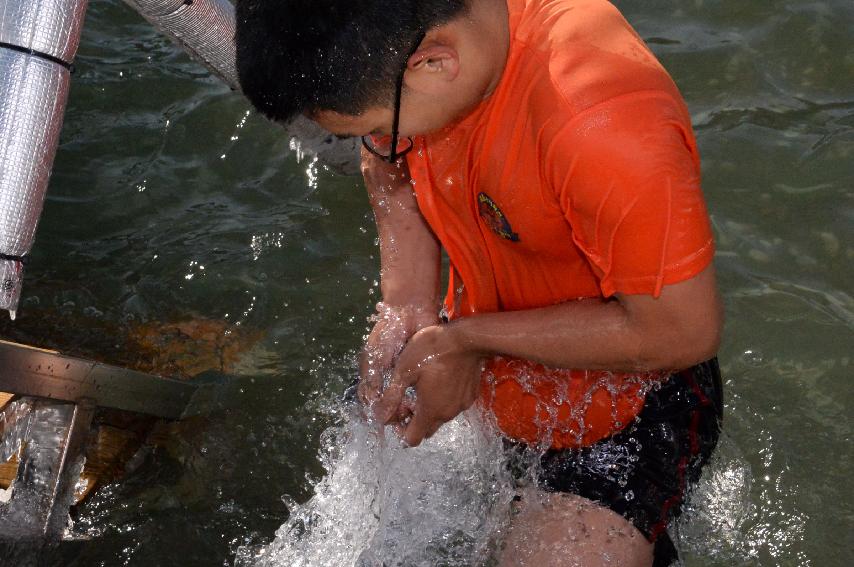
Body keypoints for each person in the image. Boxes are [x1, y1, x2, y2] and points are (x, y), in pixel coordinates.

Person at [235, 1, 724, 565]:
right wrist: (407, 304)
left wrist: (465, 341)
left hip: (626, 403)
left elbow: (682, 331)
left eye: (373, 128)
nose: (376, 143)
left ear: (437, 62)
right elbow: (388, 163)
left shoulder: (602, 123)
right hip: (482, 348)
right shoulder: (417, 43)